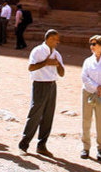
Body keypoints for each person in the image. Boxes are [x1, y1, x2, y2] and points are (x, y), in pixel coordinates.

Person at [19, 28, 65, 156]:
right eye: (55, 39)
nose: (57, 42)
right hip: (40, 84)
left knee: (48, 116)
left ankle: (42, 145)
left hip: (52, 85)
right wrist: (46, 63)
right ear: (49, 39)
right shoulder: (37, 51)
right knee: (35, 113)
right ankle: (23, 144)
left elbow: (62, 73)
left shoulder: (57, 54)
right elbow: (31, 67)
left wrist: (58, 64)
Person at [80, 34, 101, 161]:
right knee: (86, 120)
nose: (92, 47)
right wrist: (96, 87)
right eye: (91, 44)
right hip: (88, 92)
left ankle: (100, 149)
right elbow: (84, 77)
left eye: (94, 44)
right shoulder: (87, 61)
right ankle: (85, 147)